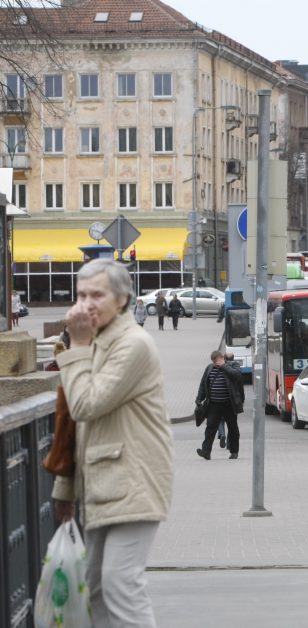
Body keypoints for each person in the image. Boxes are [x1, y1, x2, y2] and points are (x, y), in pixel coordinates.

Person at [52, 258, 173, 628]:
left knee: (122, 584)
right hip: (102, 483)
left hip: (134, 480)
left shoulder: (132, 343)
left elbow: (87, 404)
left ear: (121, 299)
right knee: (96, 586)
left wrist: (77, 346)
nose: (87, 304)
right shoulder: (98, 340)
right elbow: (73, 425)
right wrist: (66, 486)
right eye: (81, 295)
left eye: (97, 295)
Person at [195, 350, 243, 460]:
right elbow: (203, 385)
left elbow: (237, 376)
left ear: (222, 358)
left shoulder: (233, 365)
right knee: (210, 427)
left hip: (229, 403)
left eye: (216, 361)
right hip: (214, 404)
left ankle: (234, 452)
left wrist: (223, 366)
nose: (214, 363)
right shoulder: (209, 368)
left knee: (233, 428)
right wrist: (199, 398)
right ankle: (206, 451)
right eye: (213, 362)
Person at [216, 352, 245, 450]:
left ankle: (222, 434)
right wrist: (242, 399)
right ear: (233, 358)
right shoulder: (235, 368)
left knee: (220, 419)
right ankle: (229, 444)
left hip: (220, 400)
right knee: (231, 424)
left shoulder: (220, 367)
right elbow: (240, 386)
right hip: (233, 401)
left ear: (224, 358)